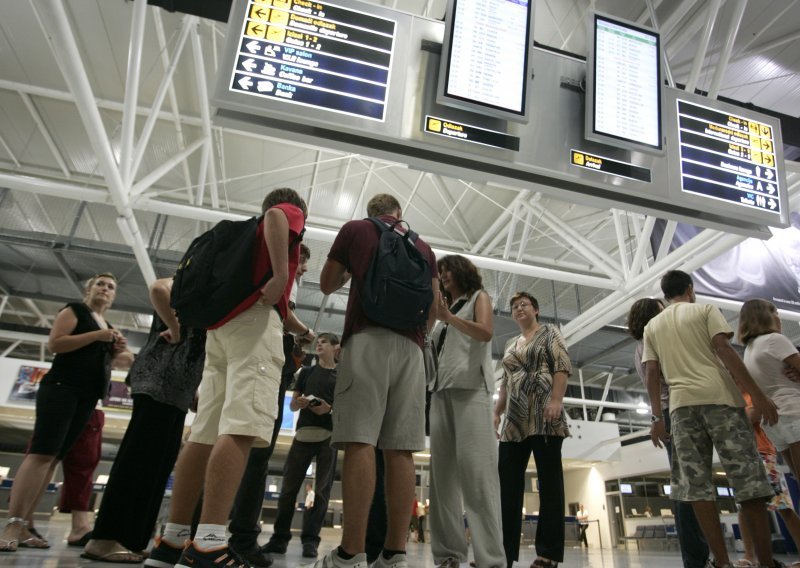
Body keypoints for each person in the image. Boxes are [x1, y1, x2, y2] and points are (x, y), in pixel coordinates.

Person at [146, 188, 312, 568]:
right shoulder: (287, 213)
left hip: (221, 330)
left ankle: (172, 541)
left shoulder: (244, 251)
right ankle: (209, 542)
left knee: (204, 432)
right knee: (241, 426)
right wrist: (282, 272)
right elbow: (276, 215)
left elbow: (279, 308)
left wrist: (302, 331)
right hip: (253, 330)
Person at [312, 192, 438, 568]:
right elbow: (433, 308)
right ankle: (395, 554)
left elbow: (327, 283)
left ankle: (350, 553)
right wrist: (418, 337)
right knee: (400, 448)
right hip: (412, 349)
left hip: (366, 339)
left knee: (360, 440)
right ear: (399, 214)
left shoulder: (356, 230)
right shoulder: (423, 246)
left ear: (371, 213)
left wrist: (354, 266)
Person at [643, 270, 779, 568]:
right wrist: (756, 395)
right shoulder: (705, 310)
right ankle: (767, 563)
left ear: (665, 294)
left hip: (681, 409)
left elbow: (652, 372)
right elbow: (724, 350)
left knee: (696, 487)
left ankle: (721, 562)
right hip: (720, 401)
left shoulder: (652, 326)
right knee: (749, 481)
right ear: (690, 289)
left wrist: (656, 417)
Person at [80, 277, 206, 564]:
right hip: (157, 381)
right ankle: (104, 539)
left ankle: (133, 539)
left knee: (157, 467)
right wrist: (174, 328)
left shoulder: (213, 295)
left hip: (179, 391)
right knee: (138, 460)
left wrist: (193, 389)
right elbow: (159, 289)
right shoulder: (193, 277)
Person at [0, 273, 128, 553]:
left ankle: (25, 524)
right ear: (89, 289)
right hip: (61, 387)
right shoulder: (76, 311)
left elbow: (110, 359)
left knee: (54, 459)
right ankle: (12, 523)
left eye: (111, 287)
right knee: (41, 453)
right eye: (101, 284)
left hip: (87, 396)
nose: (105, 289)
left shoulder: (108, 326)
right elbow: (56, 343)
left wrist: (115, 348)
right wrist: (98, 336)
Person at [228, 244, 313, 568]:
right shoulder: (283, 273)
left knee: (229, 444)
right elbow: (280, 311)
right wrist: (304, 332)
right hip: (264, 364)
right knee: (258, 452)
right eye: (302, 263)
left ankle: (198, 530)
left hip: (241, 355)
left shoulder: (248, 270)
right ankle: (243, 539)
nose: (303, 270)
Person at [428, 254, 504, 568]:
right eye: (440, 272)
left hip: (473, 390)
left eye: (447, 270)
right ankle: (448, 553)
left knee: (477, 476)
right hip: (440, 392)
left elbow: (485, 332)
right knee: (441, 478)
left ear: (461, 271)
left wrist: (449, 318)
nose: (443, 275)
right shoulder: (443, 313)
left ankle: (490, 558)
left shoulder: (477, 298)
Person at [627, 297, 709, 568]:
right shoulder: (652, 345)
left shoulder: (641, 347)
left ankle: (698, 556)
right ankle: (696, 558)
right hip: (676, 412)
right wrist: (657, 417)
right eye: (662, 311)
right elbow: (657, 377)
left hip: (673, 412)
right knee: (688, 487)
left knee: (688, 484)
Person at [494, 292, 571, 568]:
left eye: (524, 304)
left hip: (544, 414)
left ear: (536, 310)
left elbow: (562, 366)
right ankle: (501, 552)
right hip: (514, 421)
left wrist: (556, 399)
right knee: (506, 485)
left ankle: (547, 554)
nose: (518, 309)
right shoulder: (510, 344)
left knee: (550, 485)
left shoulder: (550, 333)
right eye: (514, 307)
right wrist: (495, 412)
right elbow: (505, 381)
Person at [262, 332, 340, 559]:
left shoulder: (341, 376)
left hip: (328, 438)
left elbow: (344, 408)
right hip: (302, 436)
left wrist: (329, 409)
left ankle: (310, 540)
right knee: (288, 489)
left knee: (322, 492)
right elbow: (294, 405)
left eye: (325, 342)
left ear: (336, 348)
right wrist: (300, 402)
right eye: (319, 341)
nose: (320, 344)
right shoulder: (306, 372)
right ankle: (279, 538)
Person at [734, 393, 800, 568]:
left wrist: (737, 416)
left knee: (781, 504)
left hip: (762, 452)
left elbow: (752, 416)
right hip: (740, 455)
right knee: (743, 506)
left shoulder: (752, 393)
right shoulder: (733, 395)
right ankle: (750, 555)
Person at [738, 299, 800, 480]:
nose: (778, 317)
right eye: (775, 312)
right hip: (793, 410)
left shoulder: (750, 350)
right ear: (765, 317)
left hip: (773, 420)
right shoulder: (775, 340)